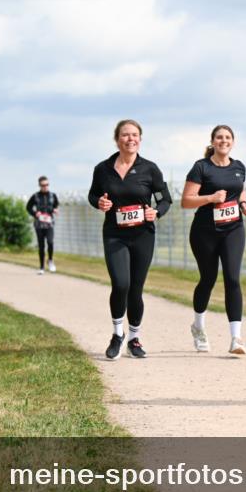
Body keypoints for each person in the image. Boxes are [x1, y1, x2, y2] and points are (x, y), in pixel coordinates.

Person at [87, 119, 172, 360]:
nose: (130, 139)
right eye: (125, 135)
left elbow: (165, 199)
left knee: (136, 289)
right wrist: (99, 202)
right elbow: (93, 195)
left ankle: (134, 339)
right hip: (115, 234)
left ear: (140, 139)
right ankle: (117, 335)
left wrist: (156, 212)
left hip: (143, 235)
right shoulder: (103, 169)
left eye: (135, 135)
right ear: (117, 139)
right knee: (120, 283)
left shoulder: (150, 169)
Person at [181, 125, 246, 354]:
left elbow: (239, 191)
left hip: (233, 228)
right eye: (219, 137)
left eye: (228, 137)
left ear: (233, 141)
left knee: (232, 278)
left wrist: (244, 204)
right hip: (205, 232)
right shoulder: (201, 167)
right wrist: (211, 198)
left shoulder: (239, 167)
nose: (224, 141)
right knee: (208, 279)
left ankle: (236, 338)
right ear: (213, 141)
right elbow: (186, 201)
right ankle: (198, 327)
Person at [26, 176, 60, 274]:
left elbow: (56, 205)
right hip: (39, 224)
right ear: (39, 185)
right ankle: (41, 267)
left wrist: (55, 210)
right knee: (41, 245)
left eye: (47, 184)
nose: (45, 186)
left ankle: (50, 260)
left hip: (49, 223)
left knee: (50, 242)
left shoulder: (53, 195)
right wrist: (35, 213)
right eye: (43, 185)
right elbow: (28, 207)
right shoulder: (35, 196)